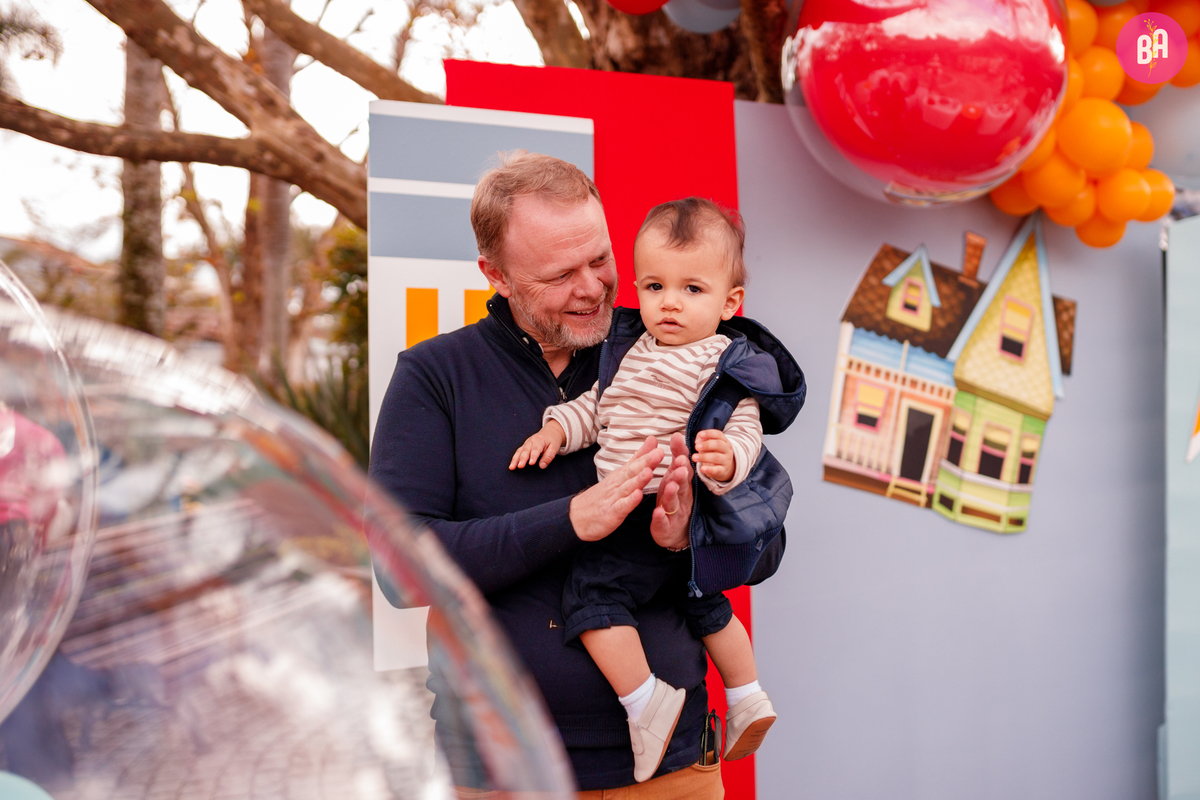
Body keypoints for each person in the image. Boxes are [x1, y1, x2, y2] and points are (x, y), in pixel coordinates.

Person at [369, 151, 788, 797]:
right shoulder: (435, 376)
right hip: (501, 770)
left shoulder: (676, 347)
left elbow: (768, 546)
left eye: (600, 259)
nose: (592, 288)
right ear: (497, 275)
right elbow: (401, 568)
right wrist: (568, 520)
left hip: (675, 772)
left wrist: (692, 531)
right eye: (561, 274)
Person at [510, 198, 804, 782]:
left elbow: (744, 430)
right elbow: (596, 410)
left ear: (730, 303)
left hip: (653, 506)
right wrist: (555, 428)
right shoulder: (632, 354)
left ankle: (645, 702)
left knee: (592, 596)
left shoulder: (722, 363)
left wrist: (726, 462)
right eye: (653, 286)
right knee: (702, 601)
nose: (669, 303)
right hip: (656, 518)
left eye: (692, 289)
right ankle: (746, 694)